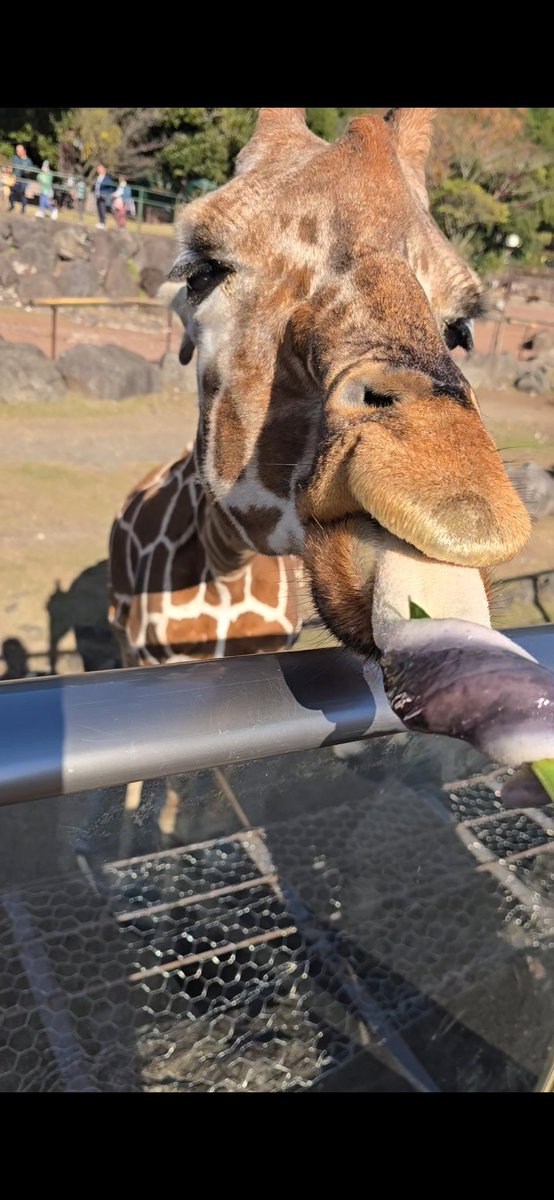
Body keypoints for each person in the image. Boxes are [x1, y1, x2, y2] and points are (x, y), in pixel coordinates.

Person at [9, 143, 34, 214]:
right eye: (17, 151)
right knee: (11, 192)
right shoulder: (15, 158)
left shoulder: (28, 161)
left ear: (24, 151)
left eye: (19, 151)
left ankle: (23, 208)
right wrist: (10, 172)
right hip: (15, 179)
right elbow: (11, 168)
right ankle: (12, 205)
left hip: (24, 180)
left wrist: (27, 171)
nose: (18, 152)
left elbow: (31, 171)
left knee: (22, 192)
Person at [93, 163, 114, 229]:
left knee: (102, 209)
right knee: (99, 208)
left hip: (104, 195)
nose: (98, 169)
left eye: (100, 168)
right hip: (98, 195)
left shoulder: (107, 178)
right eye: (98, 168)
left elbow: (110, 186)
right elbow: (96, 186)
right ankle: (100, 222)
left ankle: (103, 223)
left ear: (104, 169)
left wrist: (107, 194)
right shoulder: (97, 177)